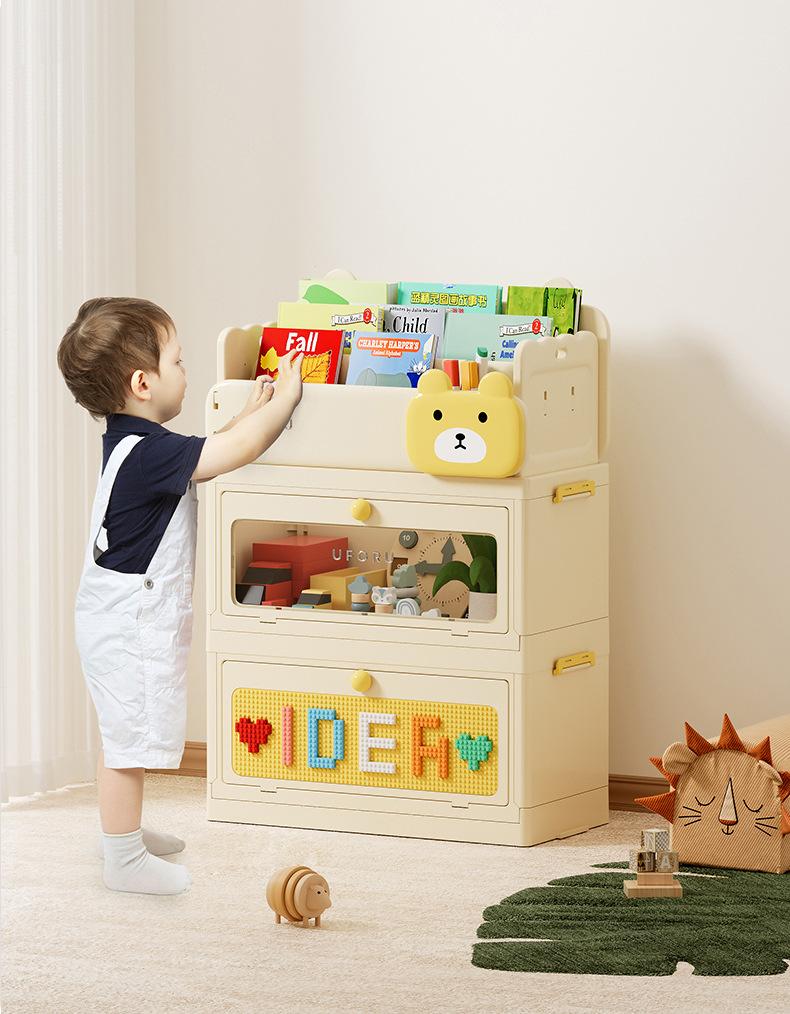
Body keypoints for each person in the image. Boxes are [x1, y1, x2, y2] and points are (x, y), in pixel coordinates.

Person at [57, 297, 303, 894]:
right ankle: (123, 859)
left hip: (116, 614)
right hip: (129, 621)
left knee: (125, 732)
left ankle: (122, 833)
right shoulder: (149, 454)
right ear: (143, 383)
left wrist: (250, 409)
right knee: (128, 740)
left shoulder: (136, 443)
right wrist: (286, 400)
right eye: (178, 361)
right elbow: (234, 452)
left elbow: (208, 450)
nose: (186, 372)